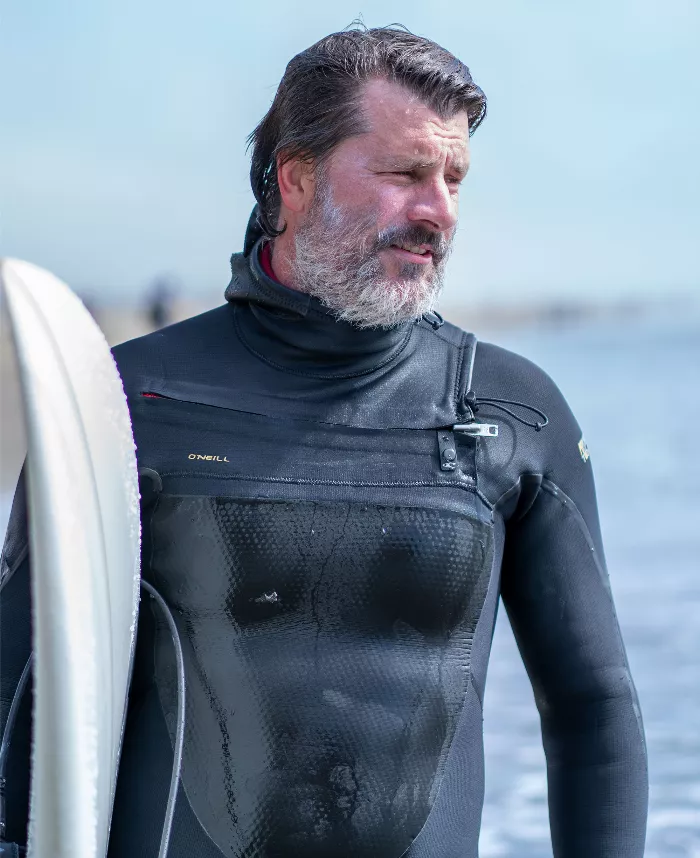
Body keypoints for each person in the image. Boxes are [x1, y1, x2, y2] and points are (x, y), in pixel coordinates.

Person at [0, 24, 648, 858]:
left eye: (454, 179)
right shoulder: (120, 403)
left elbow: (592, 703)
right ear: (297, 179)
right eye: (404, 173)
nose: (438, 211)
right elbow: (18, 689)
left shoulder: (510, 412)